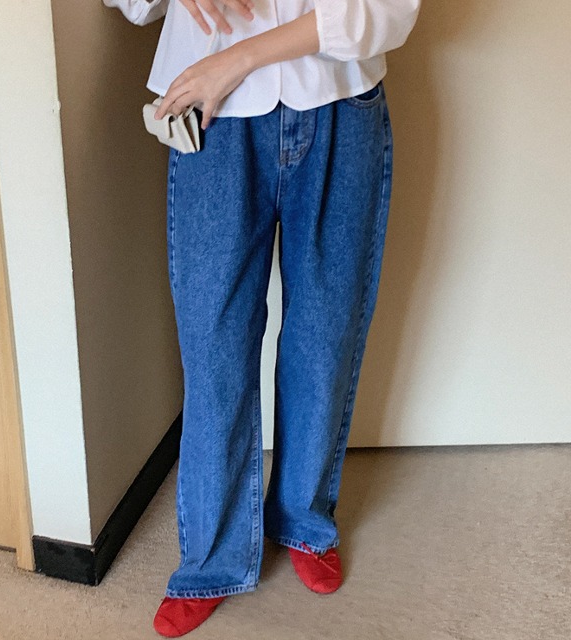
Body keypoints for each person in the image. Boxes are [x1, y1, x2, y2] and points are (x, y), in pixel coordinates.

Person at [103, 0, 422, 636]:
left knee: (324, 337)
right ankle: (212, 558)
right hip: (212, 118)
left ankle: (304, 519)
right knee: (213, 346)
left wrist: (240, 57)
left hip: (338, 102)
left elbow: (391, 9)